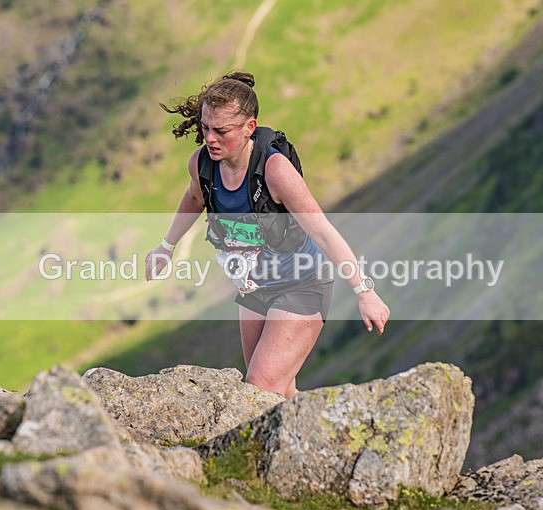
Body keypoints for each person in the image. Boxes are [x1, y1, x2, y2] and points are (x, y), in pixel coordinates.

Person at [145, 71, 389, 399]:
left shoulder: (274, 171)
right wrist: (166, 246)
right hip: (254, 288)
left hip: (303, 285)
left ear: (249, 128)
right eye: (205, 128)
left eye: (221, 131)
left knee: (260, 388)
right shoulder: (202, 164)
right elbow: (193, 198)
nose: (211, 139)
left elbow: (322, 231)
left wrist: (364, 291)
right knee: (280, 393)